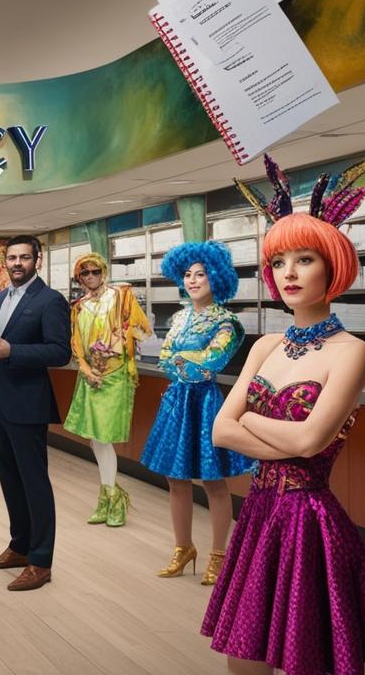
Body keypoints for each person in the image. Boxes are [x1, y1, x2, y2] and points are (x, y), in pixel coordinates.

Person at [203, 156, 365, 674]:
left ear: (332, 266)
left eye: (304, 259)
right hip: (258, 514)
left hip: (309, 520)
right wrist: (266, 431)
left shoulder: (351, 352)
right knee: (243, 660)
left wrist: (249, 424)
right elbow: (220, 429)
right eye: (280, 261)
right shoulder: (265, 345)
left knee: (306, 657)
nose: (288, 272)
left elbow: (310, 443)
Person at [138, 241, 252, 584]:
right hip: (176, 402)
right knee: (176, 480)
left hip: (204, 404)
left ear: (216, 277)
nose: (192, 280)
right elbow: (164, 359)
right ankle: (183, 547)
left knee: (214, 482)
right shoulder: (179, 316)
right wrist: (184, 361)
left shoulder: (229, 322)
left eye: (200, 274)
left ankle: (219, 555)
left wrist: (181, 361)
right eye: (187, 274)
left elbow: (212, 363)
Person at [0, 234, 70, 591]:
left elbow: (59, 352)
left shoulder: (50, 301)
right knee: (10, 482)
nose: (17, 263)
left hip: (28, 405)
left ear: (38, 261)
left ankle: (41, 560)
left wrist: (12, 351)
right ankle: (19, 546)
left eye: (24, 258)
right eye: (12, 258)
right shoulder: (0, 298)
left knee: (35, 484)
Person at [62, 252, 152, 527]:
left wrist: (118, 341)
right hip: (91, 377)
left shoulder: (121, 296)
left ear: (104, 272)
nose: (90, 277)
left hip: (115, 374)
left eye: (95, 271)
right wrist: (88, 371)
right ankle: (107, 496)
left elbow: (143, 330)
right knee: (95, 439)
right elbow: (76, 345)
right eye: (84, 273)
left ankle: (113, 498)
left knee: (104, 437)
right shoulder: (78, 307)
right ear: (79, 277)